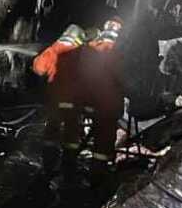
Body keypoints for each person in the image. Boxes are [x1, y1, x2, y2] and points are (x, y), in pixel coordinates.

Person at [35, 18, 126, 174]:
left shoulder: (61, 50)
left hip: (57, 100)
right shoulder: (115, 53)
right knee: (85, 137)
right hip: (91, 103)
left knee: (53, 131)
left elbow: (39, 68)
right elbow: (124, 78)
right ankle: (92, 176)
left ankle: (52, 166)